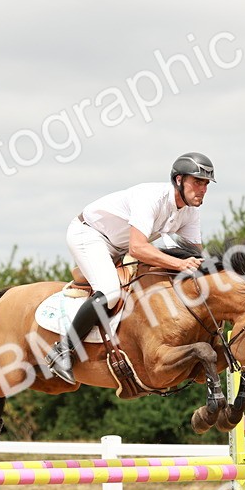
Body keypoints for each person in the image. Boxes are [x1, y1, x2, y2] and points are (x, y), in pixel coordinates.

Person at [44, 152, 215, 383]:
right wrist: (179, 263)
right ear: (178, 180)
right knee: (111, 292)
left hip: (118, 246)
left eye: (205, 184)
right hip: (90, 234)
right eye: (197, 182)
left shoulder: (190, 212)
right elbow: (137, 248)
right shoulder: (152, 198)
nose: (202, 189)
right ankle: (62, 350)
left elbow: (196, 255)